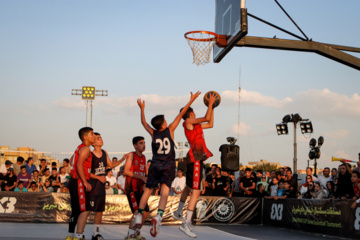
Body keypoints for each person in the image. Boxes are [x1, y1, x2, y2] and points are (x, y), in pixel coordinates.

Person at [134, 91, 200, 238]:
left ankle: (139, 215)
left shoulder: (153, 133)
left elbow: (143, 123)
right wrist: (191, 100)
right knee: (164, 193)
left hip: (156, 164)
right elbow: (182, 112)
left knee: (147, 191)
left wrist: (142, 109)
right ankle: (158, 217)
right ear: (164, 123)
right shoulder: (170, 129)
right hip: (168, 165)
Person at [173, 92, 216, 237]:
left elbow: (210, 123)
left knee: (189, 187)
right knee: (196, 191)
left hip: (195, 158)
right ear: (190, 114)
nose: (195, 114)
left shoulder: (196, 125)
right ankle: (186, 223)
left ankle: (178, 212)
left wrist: (213, 107)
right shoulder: (188, 123)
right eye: (194, 112)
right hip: (196, 158)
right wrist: (210, 103)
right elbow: (206, 117)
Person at [88, 132, 125, 240]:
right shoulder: (90, 154)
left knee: (100, 210)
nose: (101, 139)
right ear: (93, 142)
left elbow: (111, 165)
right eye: (98, 138)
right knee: (86, 211)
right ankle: (79, 233)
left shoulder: (104, 152)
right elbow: (86, 172)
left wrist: (122, 159)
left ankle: (95, 234)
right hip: (92, 185)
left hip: (100, 186)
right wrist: (98, 177)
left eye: (101, 137)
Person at [65, 127, 95, 240]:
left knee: (76, 210)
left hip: (75, 180)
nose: (94, 136)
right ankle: (78, 236)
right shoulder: (86, 148)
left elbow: (72, 161)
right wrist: (85, 181)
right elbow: (78, 165)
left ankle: (70, 236)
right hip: (78, 181)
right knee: (85, 209)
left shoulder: (79, 148)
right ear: (85, 137)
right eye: (92, 134)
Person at [123, 136, 149, 240]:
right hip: (131, 188)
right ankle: (130, 234)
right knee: (137, 211)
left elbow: (143, 174)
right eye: (141, 143)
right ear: (135, 145)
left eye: (144, 142)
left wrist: (146, 181)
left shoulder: (143, 157)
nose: (144, 145)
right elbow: (126, 171)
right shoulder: (131, 155)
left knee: (145, 212)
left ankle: (137, 233)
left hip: (140, 189)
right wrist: (142, 177)